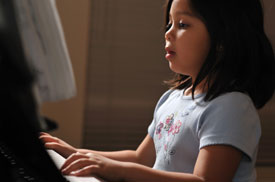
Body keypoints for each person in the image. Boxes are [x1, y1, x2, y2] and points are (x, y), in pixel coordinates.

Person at [40, 0, 275, 181]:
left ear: (223, 38)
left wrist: (121, 172)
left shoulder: (231, 106)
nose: (168, 32)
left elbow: (205, 180)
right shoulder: (172, 99)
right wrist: (76, 153)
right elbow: (140, 158)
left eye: (182, 24)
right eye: (169, 23)